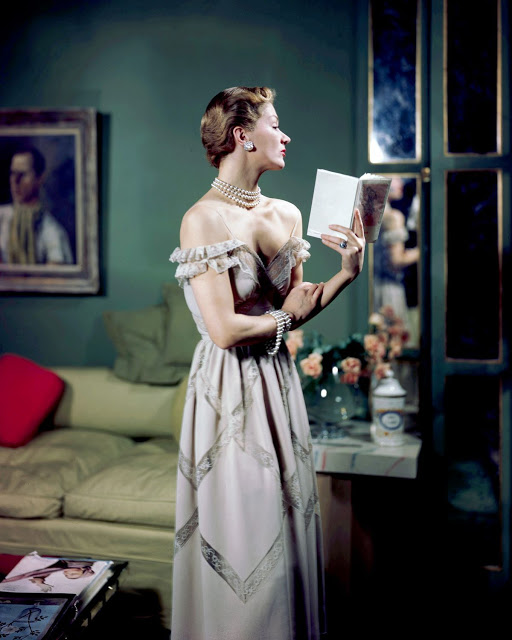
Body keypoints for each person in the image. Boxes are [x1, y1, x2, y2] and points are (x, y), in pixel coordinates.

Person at [169, 86, 365, 640]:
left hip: (277, 382)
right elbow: (225, 331)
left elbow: (295, 308)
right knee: (242, 536)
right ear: (242, 135)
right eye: (274, 125)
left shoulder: (287, 214)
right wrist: (282, 320)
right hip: (226, 387)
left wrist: (346, 274)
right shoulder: (202, 220)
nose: (285, 136)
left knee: (286, 528)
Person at [0, 146, 73, 264]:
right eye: (13, 173)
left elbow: (55, 271)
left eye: (23, 174)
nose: (15, 181)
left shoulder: (52, 231)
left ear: (40, 179)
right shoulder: (2, 217)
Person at [2, 559, 95, 593]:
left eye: (66, 574)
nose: (67, 572)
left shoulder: (62, 566)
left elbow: (47, 571)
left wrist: (40, 581)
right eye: (73, 574)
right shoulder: (84, 562)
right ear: (83, 569)